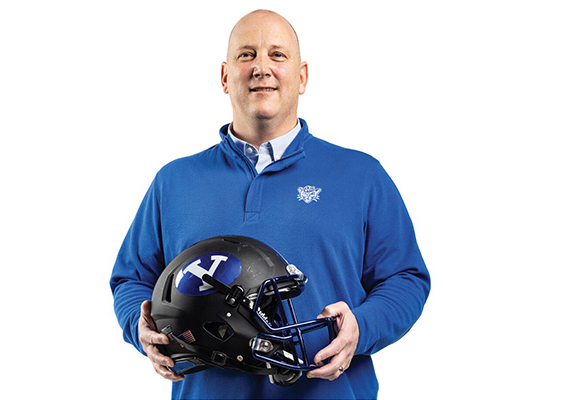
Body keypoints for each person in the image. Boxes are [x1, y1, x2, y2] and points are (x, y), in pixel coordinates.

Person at [110, 9, 430, 400]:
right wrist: (138, 325)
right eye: (247, 55)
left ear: (302, 76)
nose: (262, 67)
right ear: (225, 77)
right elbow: (131, 279)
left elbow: (406, 278)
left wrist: (363, 325)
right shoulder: (174, 181)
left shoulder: (361, 175)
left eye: (277, 55)